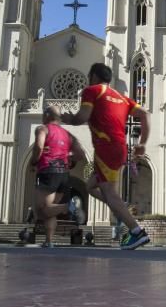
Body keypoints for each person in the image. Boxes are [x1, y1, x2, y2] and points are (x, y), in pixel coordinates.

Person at [61, 62, 151, 250]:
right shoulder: (121, 97)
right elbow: (144, 114)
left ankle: (136, 231)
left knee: (109, 192)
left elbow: (83, 117)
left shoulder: (92, 91)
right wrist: (142, 142)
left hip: (106, 148)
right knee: (90, 186)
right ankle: (119, 205)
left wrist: (69, 119)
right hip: (119, 147)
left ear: (93, 76)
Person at [31, 106, 87, 248]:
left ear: (47, 115)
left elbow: (38, 146)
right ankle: (49, 241)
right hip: (64, 174)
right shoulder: (68, 134)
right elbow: (80, 154)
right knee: (50, 211)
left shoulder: (42, 129)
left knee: (40, 210)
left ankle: (69, 208)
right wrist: (68, 157)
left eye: (44, 114)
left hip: (47, 171)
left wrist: (34, 161)